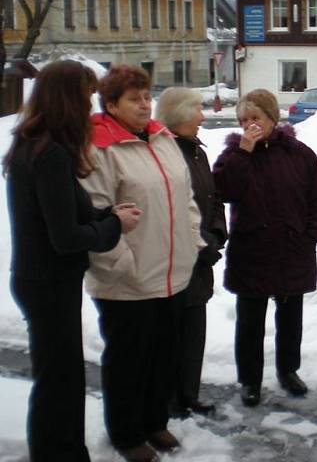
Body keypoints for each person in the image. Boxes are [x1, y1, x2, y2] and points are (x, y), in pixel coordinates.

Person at [4, 61, 140, 462]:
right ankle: (59, 453)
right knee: (58, 379)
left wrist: (105, 214)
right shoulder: (50, 156)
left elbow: (72, 212)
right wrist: (114, 226)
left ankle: (60, 450)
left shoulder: (39, 145)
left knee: (59, 375)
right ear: (68, 99)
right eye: (85, 96)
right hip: (47, 282)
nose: (90, 105)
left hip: (43, 280)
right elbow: (66, 238)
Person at [80, 65, 205, 462]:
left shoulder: (161, 137)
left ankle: (154, 421)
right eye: (133, 99)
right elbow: (94, 212)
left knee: (164, 354)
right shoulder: (100, 147)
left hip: (172, 271)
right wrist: (121, 265)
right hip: (127, 280)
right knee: (128, 361)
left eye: (146, 96)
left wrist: (191, 239)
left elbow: (185, 198)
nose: (144, 104)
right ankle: (126, 432)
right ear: (111, 104)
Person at [213, 89, 317, 406]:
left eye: (256, 117)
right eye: (244, 119)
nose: (250, 124)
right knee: (250, 321)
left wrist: (312, 233)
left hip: (293, 249)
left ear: (271, 118)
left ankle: (288, 371)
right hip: (252, 251)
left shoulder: (299, 154)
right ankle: (250, 380)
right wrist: (243, 152)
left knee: (290, 318)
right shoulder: (233, 156)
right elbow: (223, 190)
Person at [155, 87, 227, 417]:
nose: (203, 116)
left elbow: (212, 198)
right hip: (175, 261)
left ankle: (189, 394)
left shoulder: (198, 151)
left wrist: (215, 234)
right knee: (171, 335)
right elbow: (168, 211)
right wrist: (200, 245)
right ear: (178, 115)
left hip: (201, 258)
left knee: (195, 330)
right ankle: (169, 401)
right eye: (197, 109)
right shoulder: (163, 153)